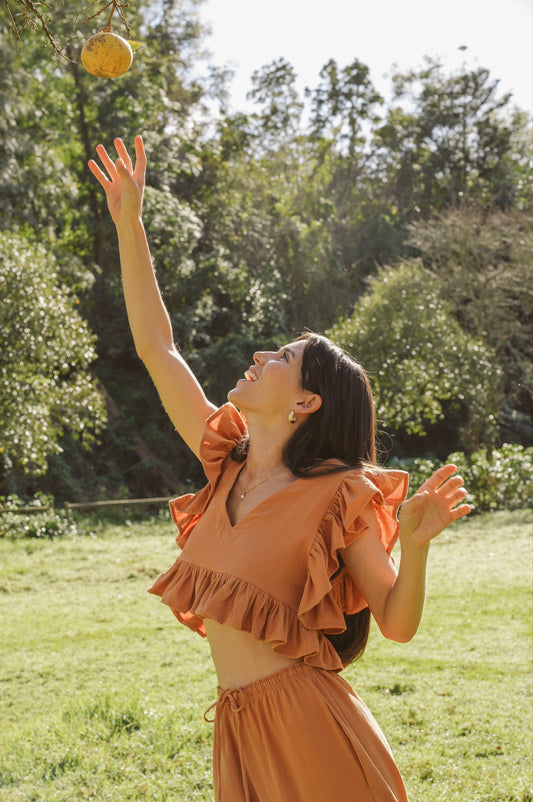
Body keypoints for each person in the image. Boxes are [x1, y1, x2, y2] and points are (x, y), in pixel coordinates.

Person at [89, 136, 471, 802]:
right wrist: (130, 224)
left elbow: (396, 623)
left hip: (309, 728)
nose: (260, 356)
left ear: (305, 403)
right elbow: (157, 348)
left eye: (282, 357)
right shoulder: (224, 462)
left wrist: (412, 547)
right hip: (238, 729)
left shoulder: (340, 495)